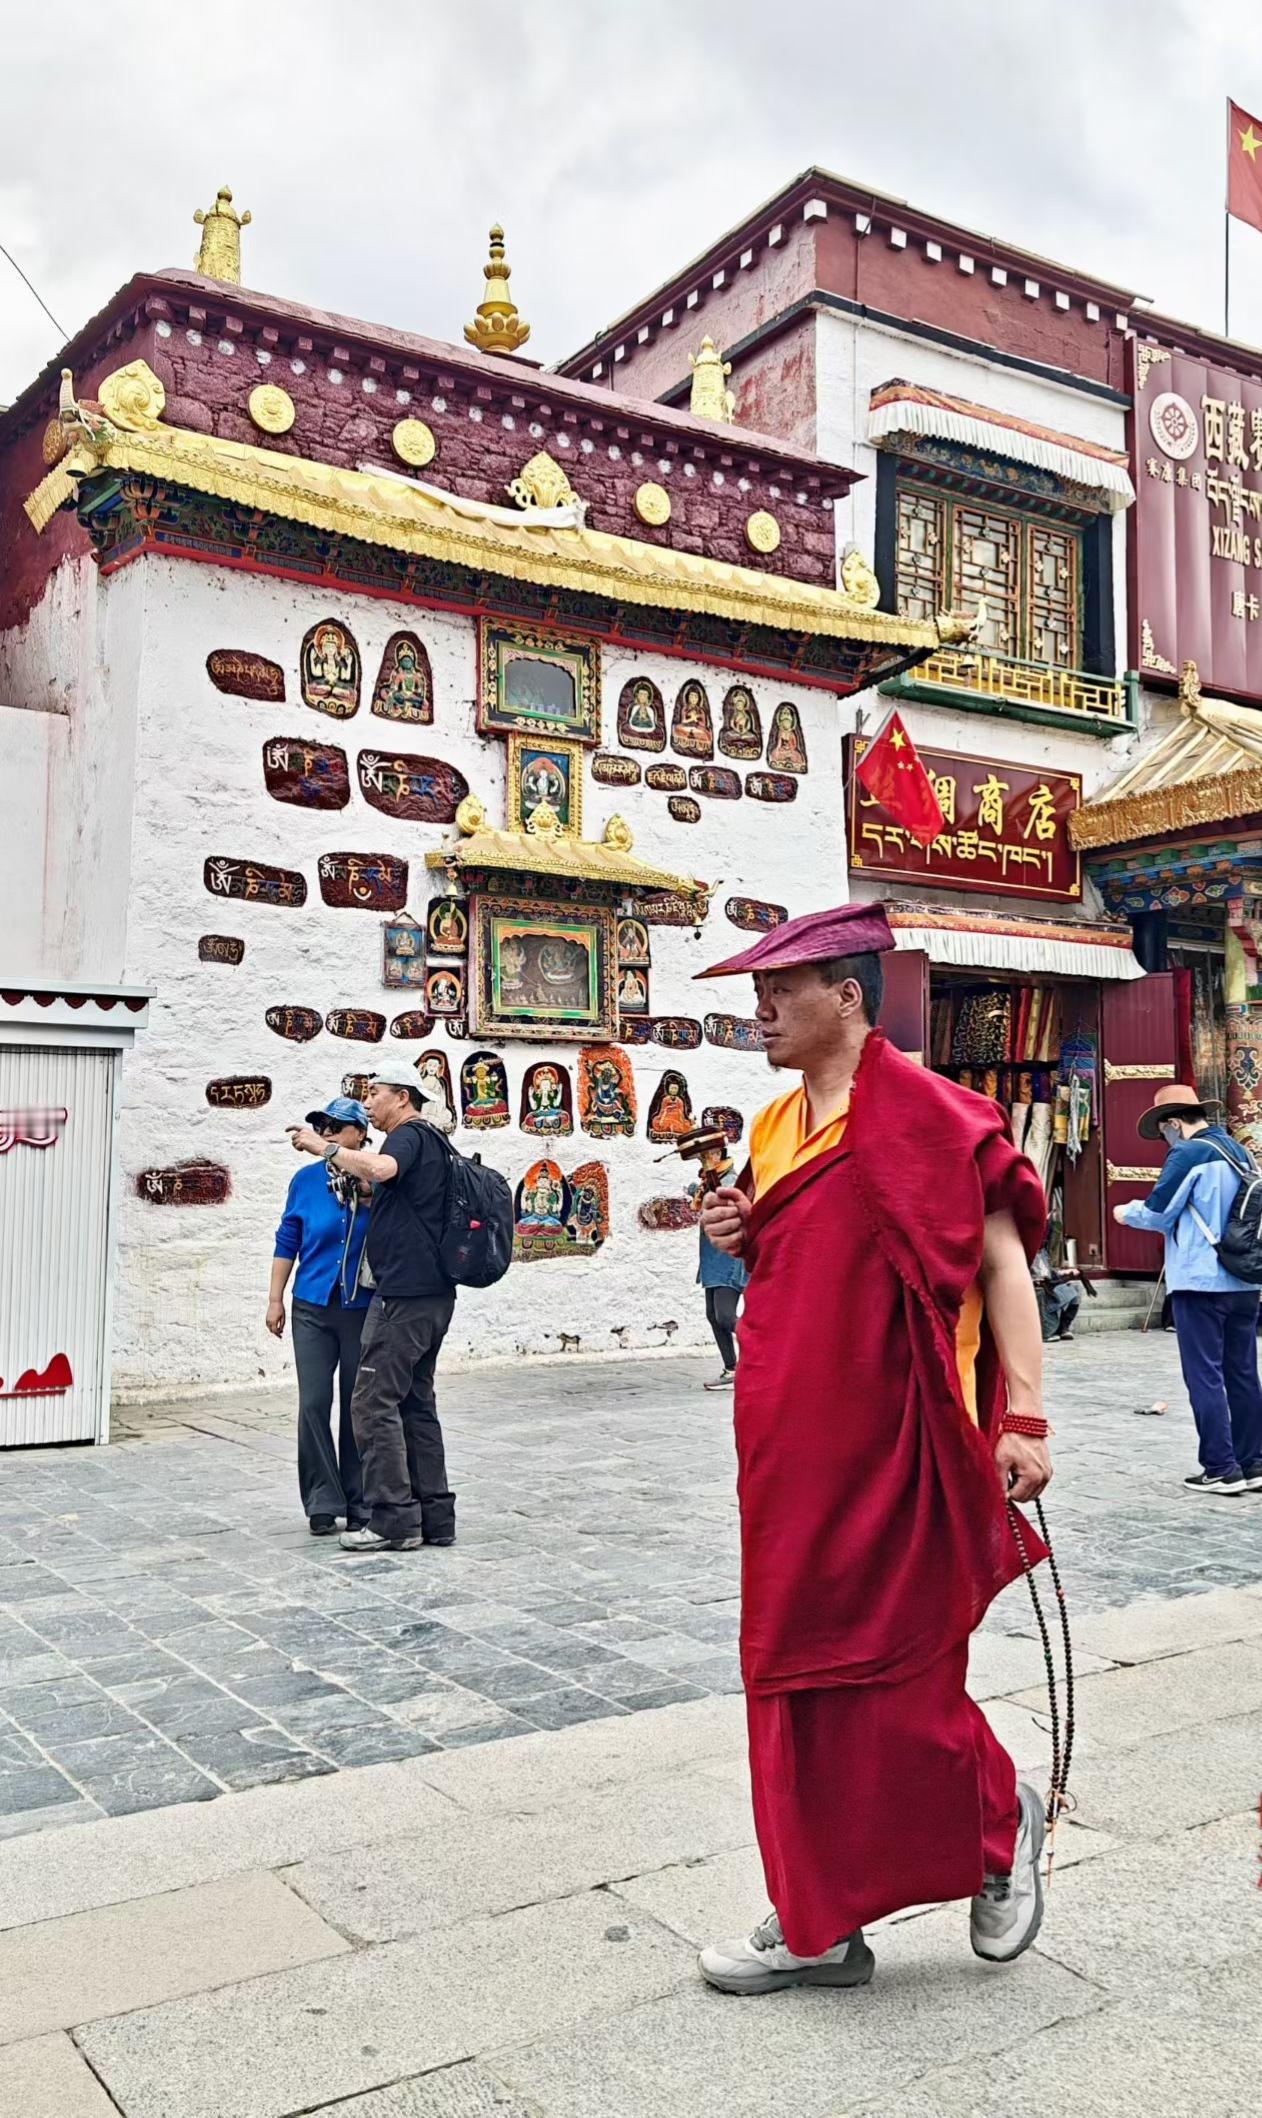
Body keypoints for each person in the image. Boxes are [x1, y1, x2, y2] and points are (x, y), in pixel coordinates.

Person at [692, 900, 1052, 1995]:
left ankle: (997, 1824)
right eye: (757, 994)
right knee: (791, 1674)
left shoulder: (938, 1116)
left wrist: (1024, 1416)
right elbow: (807, 1259)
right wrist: (741, 1233)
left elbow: (1001, 1267)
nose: (760, 1011)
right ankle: (820, 1920)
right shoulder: (770, 1130)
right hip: (790, 1442)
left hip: (906, 1438)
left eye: (780, 991)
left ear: (847, 998)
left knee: (903, 1678)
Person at [287, 1057, 457, 1553]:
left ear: (402, 1097)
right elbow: (388, 1187)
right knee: (415, 1405)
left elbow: (382, 1167)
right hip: (433, 1295)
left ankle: (392, 1521)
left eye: (374, 1094)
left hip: (402, 1298)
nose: (368, 1103)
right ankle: (435, 1517)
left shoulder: (407, 1137)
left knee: (372, 1402)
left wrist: (324, 1147)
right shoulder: (435, 1142)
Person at [1113, 1083, 1262, 1496]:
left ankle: (1220, 1468)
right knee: (1243, 1373)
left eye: (1164, 1130)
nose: (1165, 1138)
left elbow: (1158, 1213)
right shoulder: (1240, 1152)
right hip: (1243, 1278)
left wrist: (1125, 1211)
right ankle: (1253, 1462)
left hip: (1200, 1280)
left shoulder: (1188, 1153)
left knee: (1204, 1374)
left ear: (1174, 1123)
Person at [269, 1095, 372, 1535]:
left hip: (362, 1308)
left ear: (360, 1134)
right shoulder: (305, 1181)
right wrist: (275, 1299)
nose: (327, 1133)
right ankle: (321, 1500)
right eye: (322, 1126)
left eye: (337, 1126)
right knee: (313, 1402)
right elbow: (287, 1238)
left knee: (357, 1403)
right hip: (312, 1305)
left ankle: (360, 1498)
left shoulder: (377, 1180)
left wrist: (368, 1194)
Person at [686, 1134, 748, 1390]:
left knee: (725, 1315)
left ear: (719, 1154)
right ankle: (731, 1369)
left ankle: (767, 1345)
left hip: (729, 1257)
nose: (705, 1159)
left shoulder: (729, 1181)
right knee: (712, 1315)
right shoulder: (708, 1182)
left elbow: (725, 1206)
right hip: (712, 1257)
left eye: (709, 1154)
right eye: (702, 1156)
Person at [1031, 1247, 1081, 1343]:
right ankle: (1046, 1331)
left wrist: (1063, 1273)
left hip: (1050, 1287)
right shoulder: (1025, 1253)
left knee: (1075, 1287)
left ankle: (1064, 1328)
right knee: (1041, 1292)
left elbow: (1049, 1273)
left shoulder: (1042, 1252)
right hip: (1038, 1289)